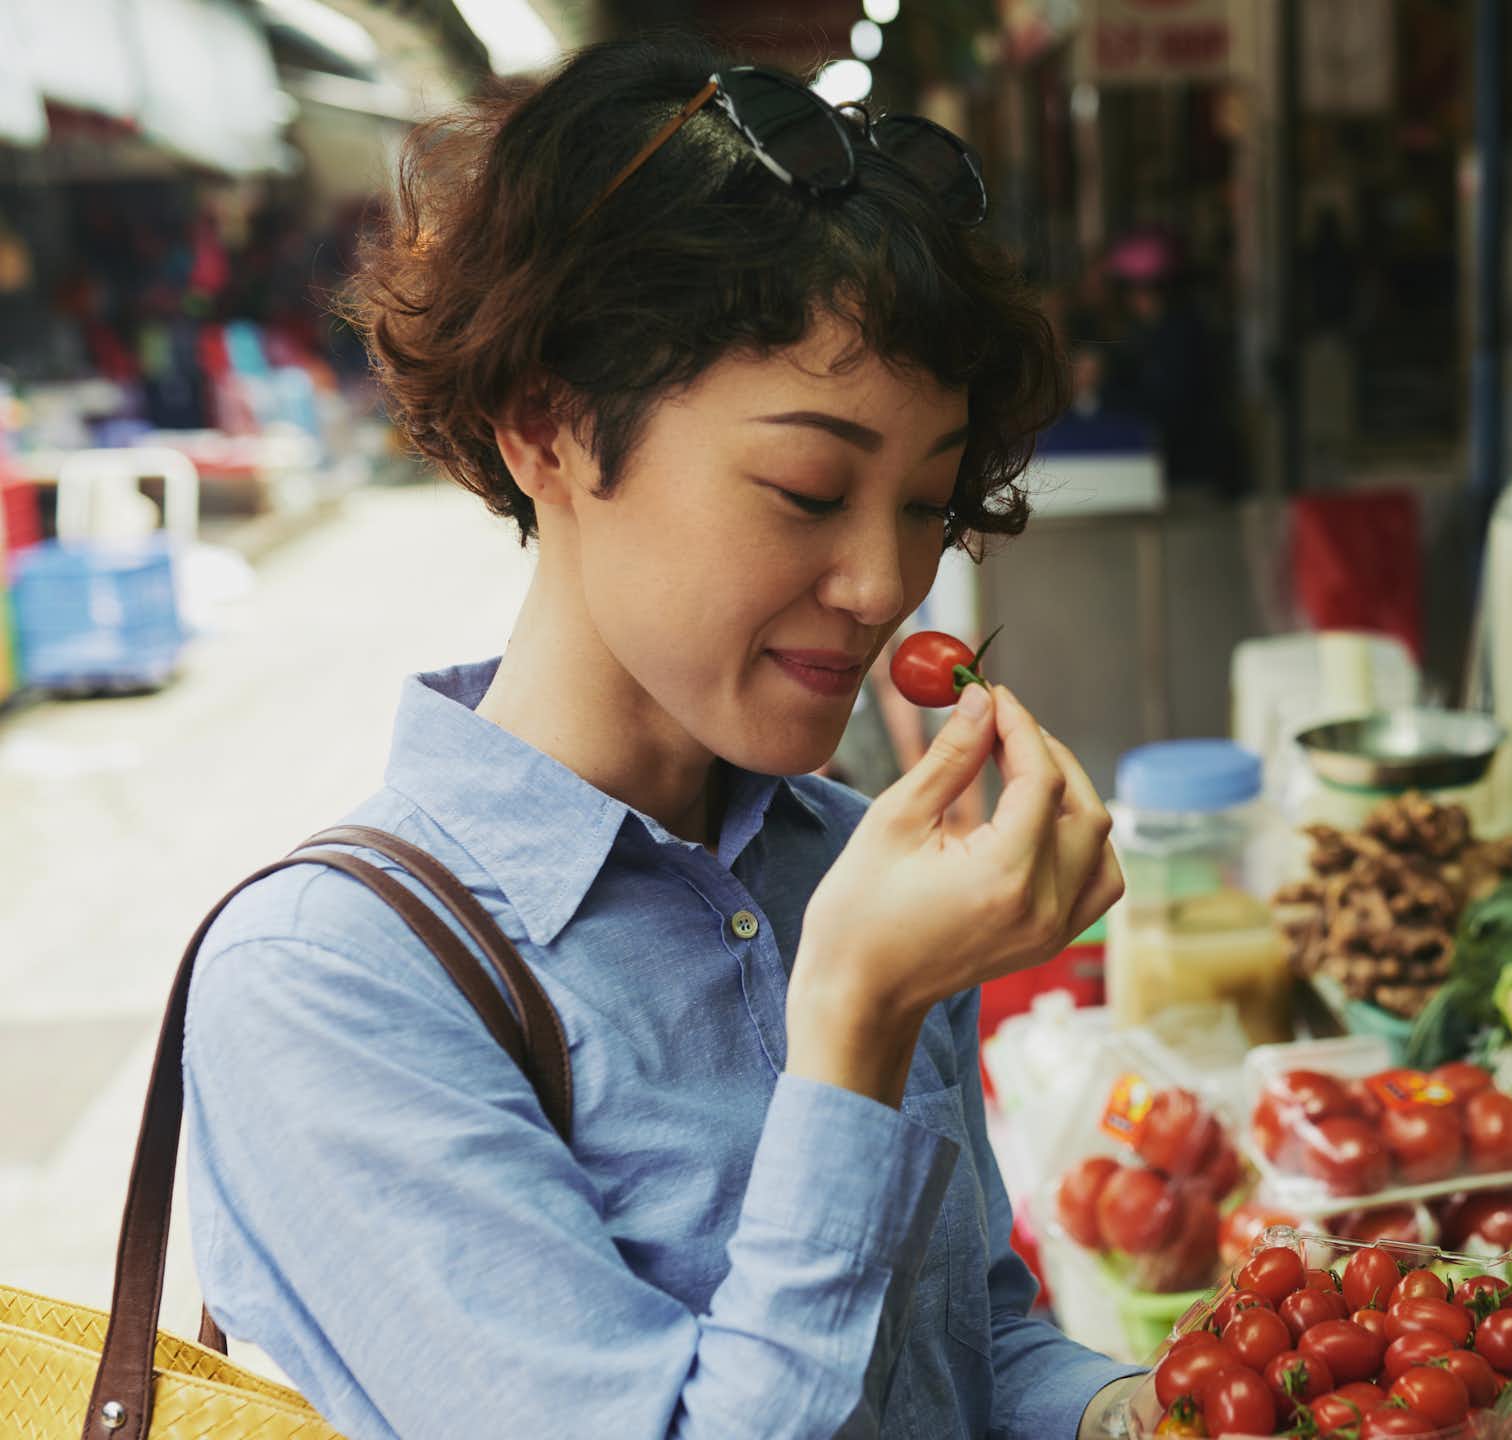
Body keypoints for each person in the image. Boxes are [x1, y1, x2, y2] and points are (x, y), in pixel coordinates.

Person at [182, 38, 1138, 1439]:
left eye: (929, 504)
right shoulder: (329, 991)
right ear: (548, 430)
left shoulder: (845, 865)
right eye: (809, 489)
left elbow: (966, 1342)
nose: (886, 586)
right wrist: (851, 1029)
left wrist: (1168, 1414)